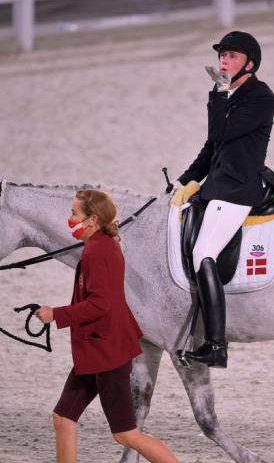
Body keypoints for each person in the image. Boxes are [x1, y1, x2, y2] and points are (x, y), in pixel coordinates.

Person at [35, 189, 179, 463]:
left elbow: (101, 304)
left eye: (74, 213)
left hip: (107, 353)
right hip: (96, 350)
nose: (70, 218)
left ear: (91, 220)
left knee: (127, 434)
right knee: (63, 418)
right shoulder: (98, 245)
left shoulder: (98, 251)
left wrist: (56, 314)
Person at [171, 31, 274, 368]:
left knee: (204, 253)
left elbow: (221, 134)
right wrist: (183, 180)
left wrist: (218, 93)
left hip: (239, 189)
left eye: (231, 56)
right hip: (216, 186)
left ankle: (216, 345)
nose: (223, 61)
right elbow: (211, 147)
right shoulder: (230, 95)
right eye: (222, 55)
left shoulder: (261, 97)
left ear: (250, 63)